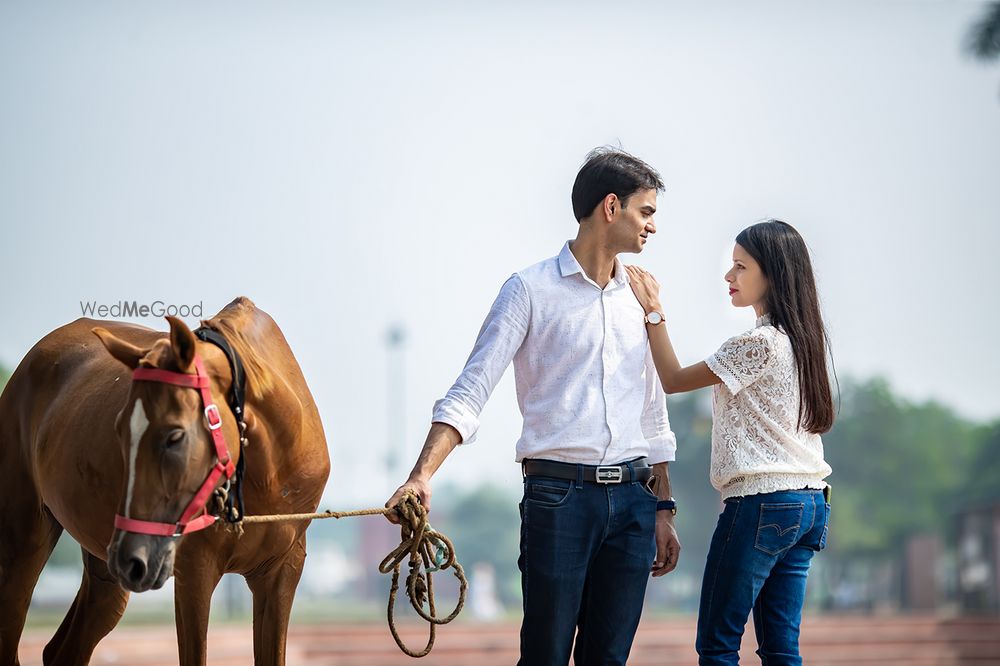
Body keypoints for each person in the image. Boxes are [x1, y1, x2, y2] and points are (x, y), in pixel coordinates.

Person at [385, 147, 682, 666]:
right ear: (611, 207)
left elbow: (653, 412)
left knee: (608, 660)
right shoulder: (528, 290)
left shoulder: (642, 298)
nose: (652, 227)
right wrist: (420, 475)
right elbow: (471, 388)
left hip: (635, 503)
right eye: (646, 211)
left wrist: (663, 507)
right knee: (544, 657)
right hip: (558, 499)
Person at [625, 219, 834, 665]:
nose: (729, 277)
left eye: (740, 267)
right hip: (809, 504)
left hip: (763, 503)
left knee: (718, 644)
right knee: (781, 649)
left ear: (772, 274)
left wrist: (653, 311)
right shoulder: (803, 341)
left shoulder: (757, 344)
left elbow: (674, 379)